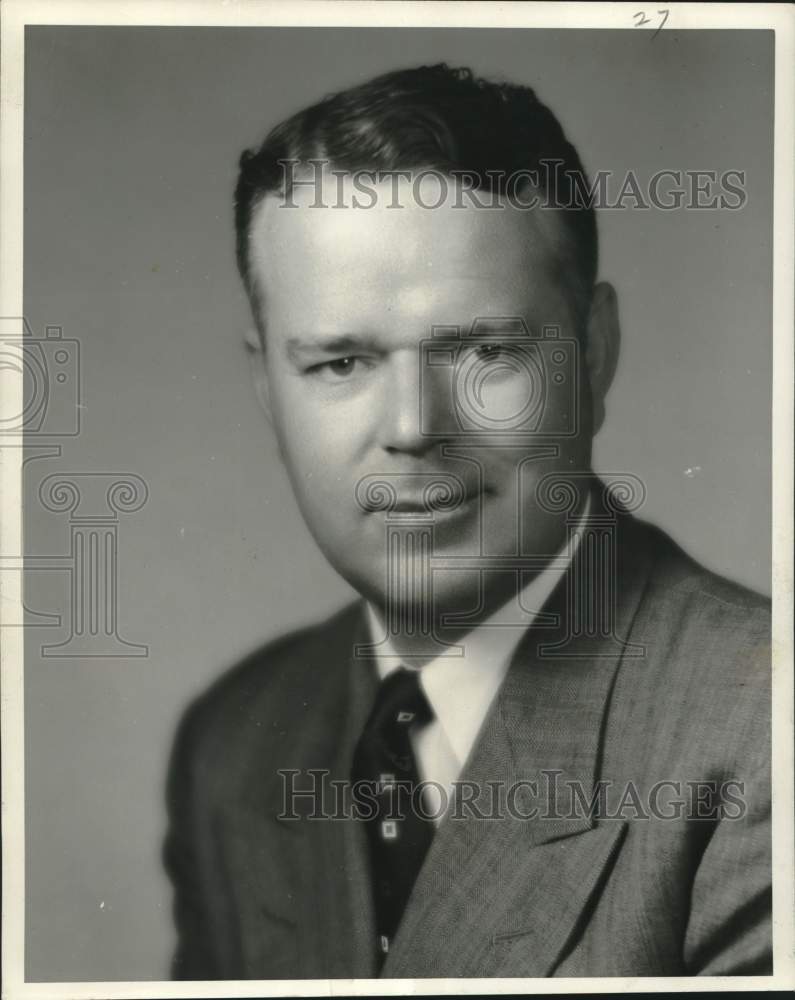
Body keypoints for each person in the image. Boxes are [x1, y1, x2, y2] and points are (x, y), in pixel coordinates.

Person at [164, 64, 771, 979]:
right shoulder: (235, 742)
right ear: (266, 388)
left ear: (592, 353)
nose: (412, 428)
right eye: (339, 363)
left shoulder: (763, 738)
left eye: (484, 350)